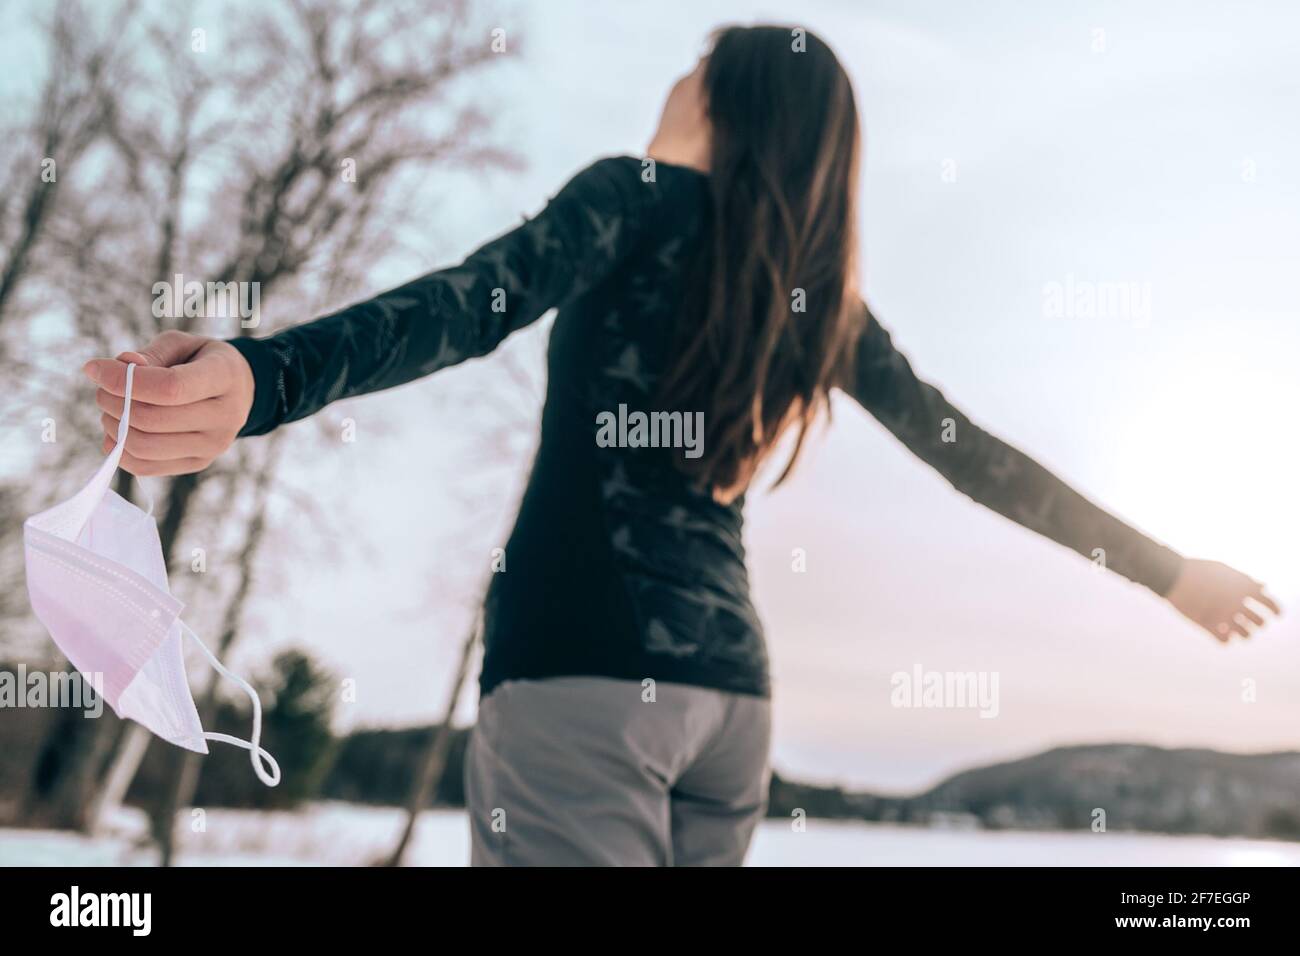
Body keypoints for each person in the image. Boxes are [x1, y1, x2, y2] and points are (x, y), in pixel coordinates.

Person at [82, 25, 1280, 866]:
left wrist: (266, 375)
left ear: (727, 100)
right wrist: (1167, 571)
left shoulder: (631, 195)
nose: (675, 77)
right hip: (730, 708)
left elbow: (469, 301)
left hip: (580, 682)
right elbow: (972, 455)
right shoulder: (819, 301)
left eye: (697, 64)